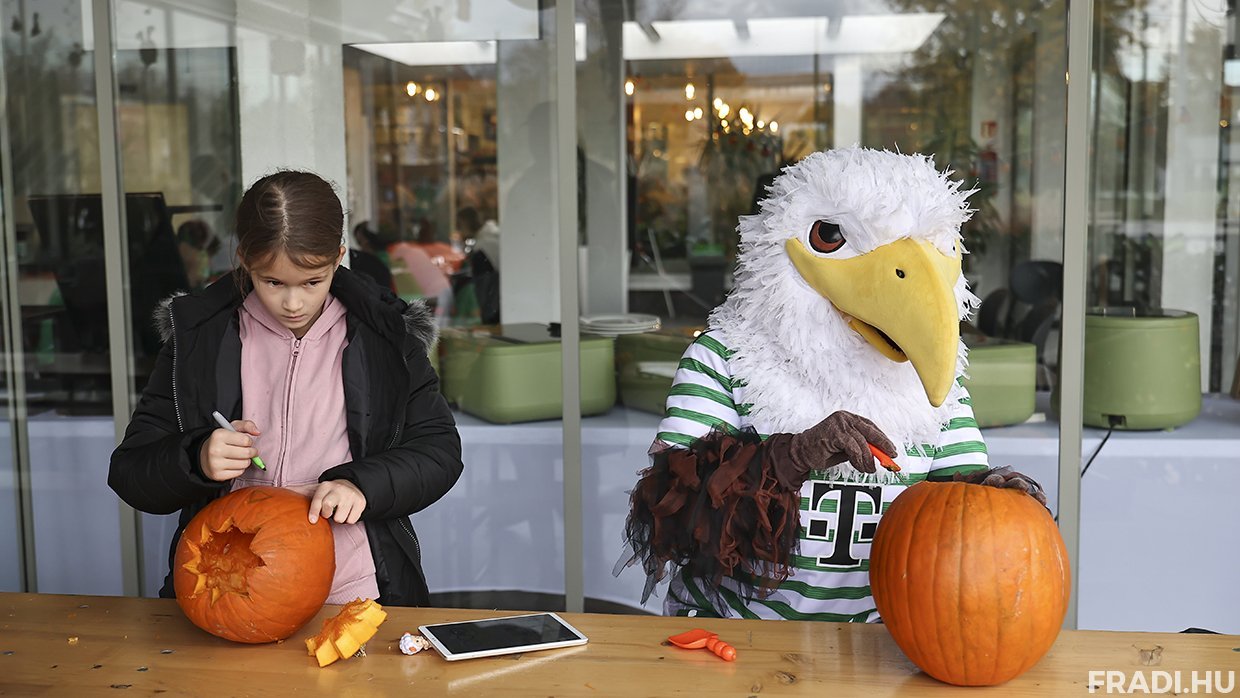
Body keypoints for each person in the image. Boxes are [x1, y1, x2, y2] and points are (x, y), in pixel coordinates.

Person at [109, 170, 463, 606]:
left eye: (312, 282)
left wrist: (362, 485)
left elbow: (439, 451)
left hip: (354, 584)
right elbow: (129, 471)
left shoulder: (386, 337)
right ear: (244, 259)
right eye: (272, 282)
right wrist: (196, 456)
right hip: (228, 583)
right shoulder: (199, 338)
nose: (293, 304)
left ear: (338, 257)